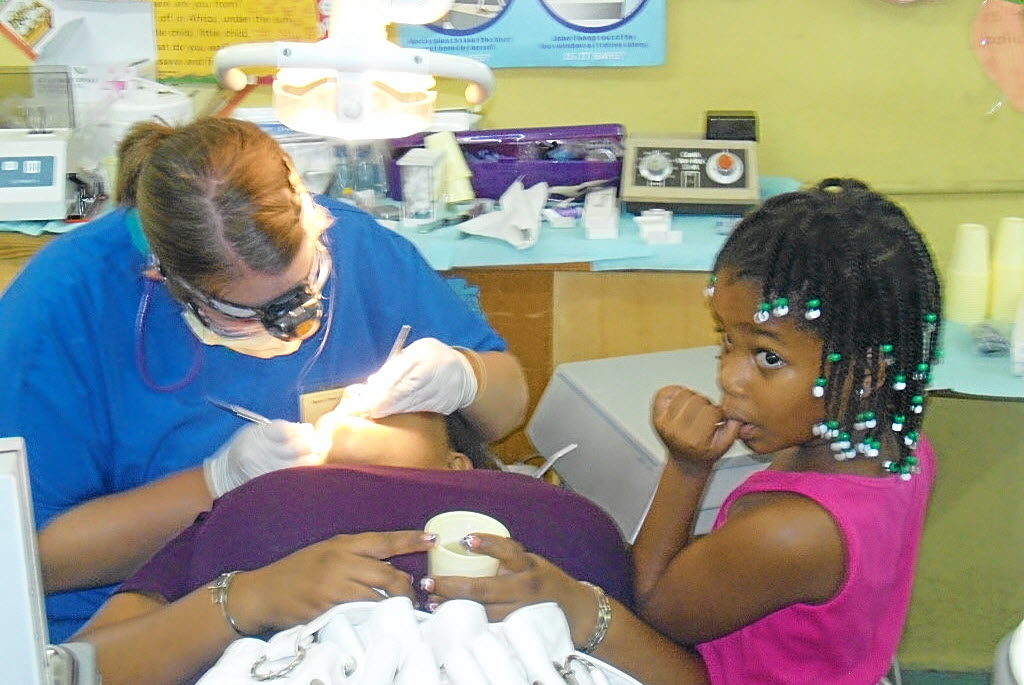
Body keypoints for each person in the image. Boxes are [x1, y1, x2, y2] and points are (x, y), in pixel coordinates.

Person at [0, 116, 528, 641]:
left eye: (307, 285)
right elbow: (29, 561)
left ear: (313, 218)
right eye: (249, 313)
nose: (297, 324)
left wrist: (468, 376)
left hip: (356, 602)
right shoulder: (62, 308)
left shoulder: (359, 245)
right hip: (164, 620)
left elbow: (507, 412)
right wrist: (215, 484)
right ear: (164, 276)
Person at [427, 178, 942, 685]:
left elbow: (653, 609)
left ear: (866, 372)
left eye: (767, 356)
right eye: (727, 341)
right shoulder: (906, 449)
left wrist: (686, 471)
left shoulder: (791, 531)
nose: (729, 377)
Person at [72, 410, 630, 685]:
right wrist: (248, 598)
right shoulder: (248, 503)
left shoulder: (564, 511)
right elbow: (73, 669)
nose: (355, 404)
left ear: (458, 461)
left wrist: (582, 610)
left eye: (396, 404)